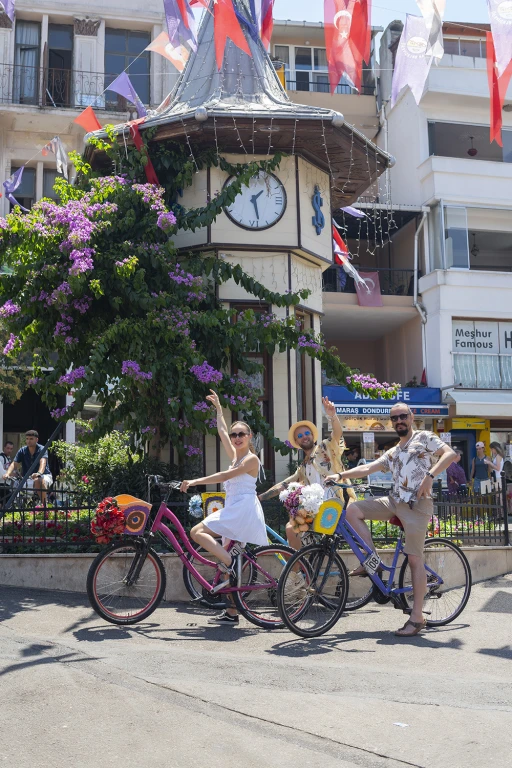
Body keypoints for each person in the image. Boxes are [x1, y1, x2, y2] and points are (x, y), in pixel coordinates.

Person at [327, 403, 455, 638]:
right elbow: (368, 467)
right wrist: (340, 475)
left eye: (403, 416)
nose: (399, 421)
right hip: (395, 501)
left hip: (417, 506)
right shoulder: (395, 451)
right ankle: (372, 561)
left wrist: (430, 477)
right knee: (352, 511)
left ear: (411, 416)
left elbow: (450, 454)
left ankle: (417, 619)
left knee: (415, 560)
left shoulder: (424, 437)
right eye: (394, 418)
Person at [180, 390, 267, 626]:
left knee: (197, 532)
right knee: (228, 556)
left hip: (242, 511)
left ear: (249, 437)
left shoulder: (251, 459)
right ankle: (231, 613)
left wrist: (195, 481)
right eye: (234, 434)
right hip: (235, 510)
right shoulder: (235, 457)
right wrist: (219, 409)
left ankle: (228, 562)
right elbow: (221, 431)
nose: (236, 437)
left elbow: (225, 475)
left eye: (241, 434)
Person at [258, 396, 356, 550]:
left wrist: (332, 416)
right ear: (297, 443)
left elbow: (337, 434)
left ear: (312, 435)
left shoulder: (325, 448)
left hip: (333, 507)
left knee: (292, 529)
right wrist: (260, 498)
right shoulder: (303, 467)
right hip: (316, 510)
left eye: (306, 433)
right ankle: (299, 569)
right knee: (291, 529)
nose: (304, 437)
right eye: (300, 436)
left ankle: (295, 571)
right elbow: (283, 485)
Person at [4, 430, 53, 504]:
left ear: (36, 440)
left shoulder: (41, 449)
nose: (28, 441)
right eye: (27, 439)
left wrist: (39, 473)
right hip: (28, 479)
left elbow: (43, 462)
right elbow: (14, 463)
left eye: (31, 439)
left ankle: (44, 506)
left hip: (44, 475)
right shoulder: (22, 450)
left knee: (38, 480)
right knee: (17, 489)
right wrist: (7, 473)